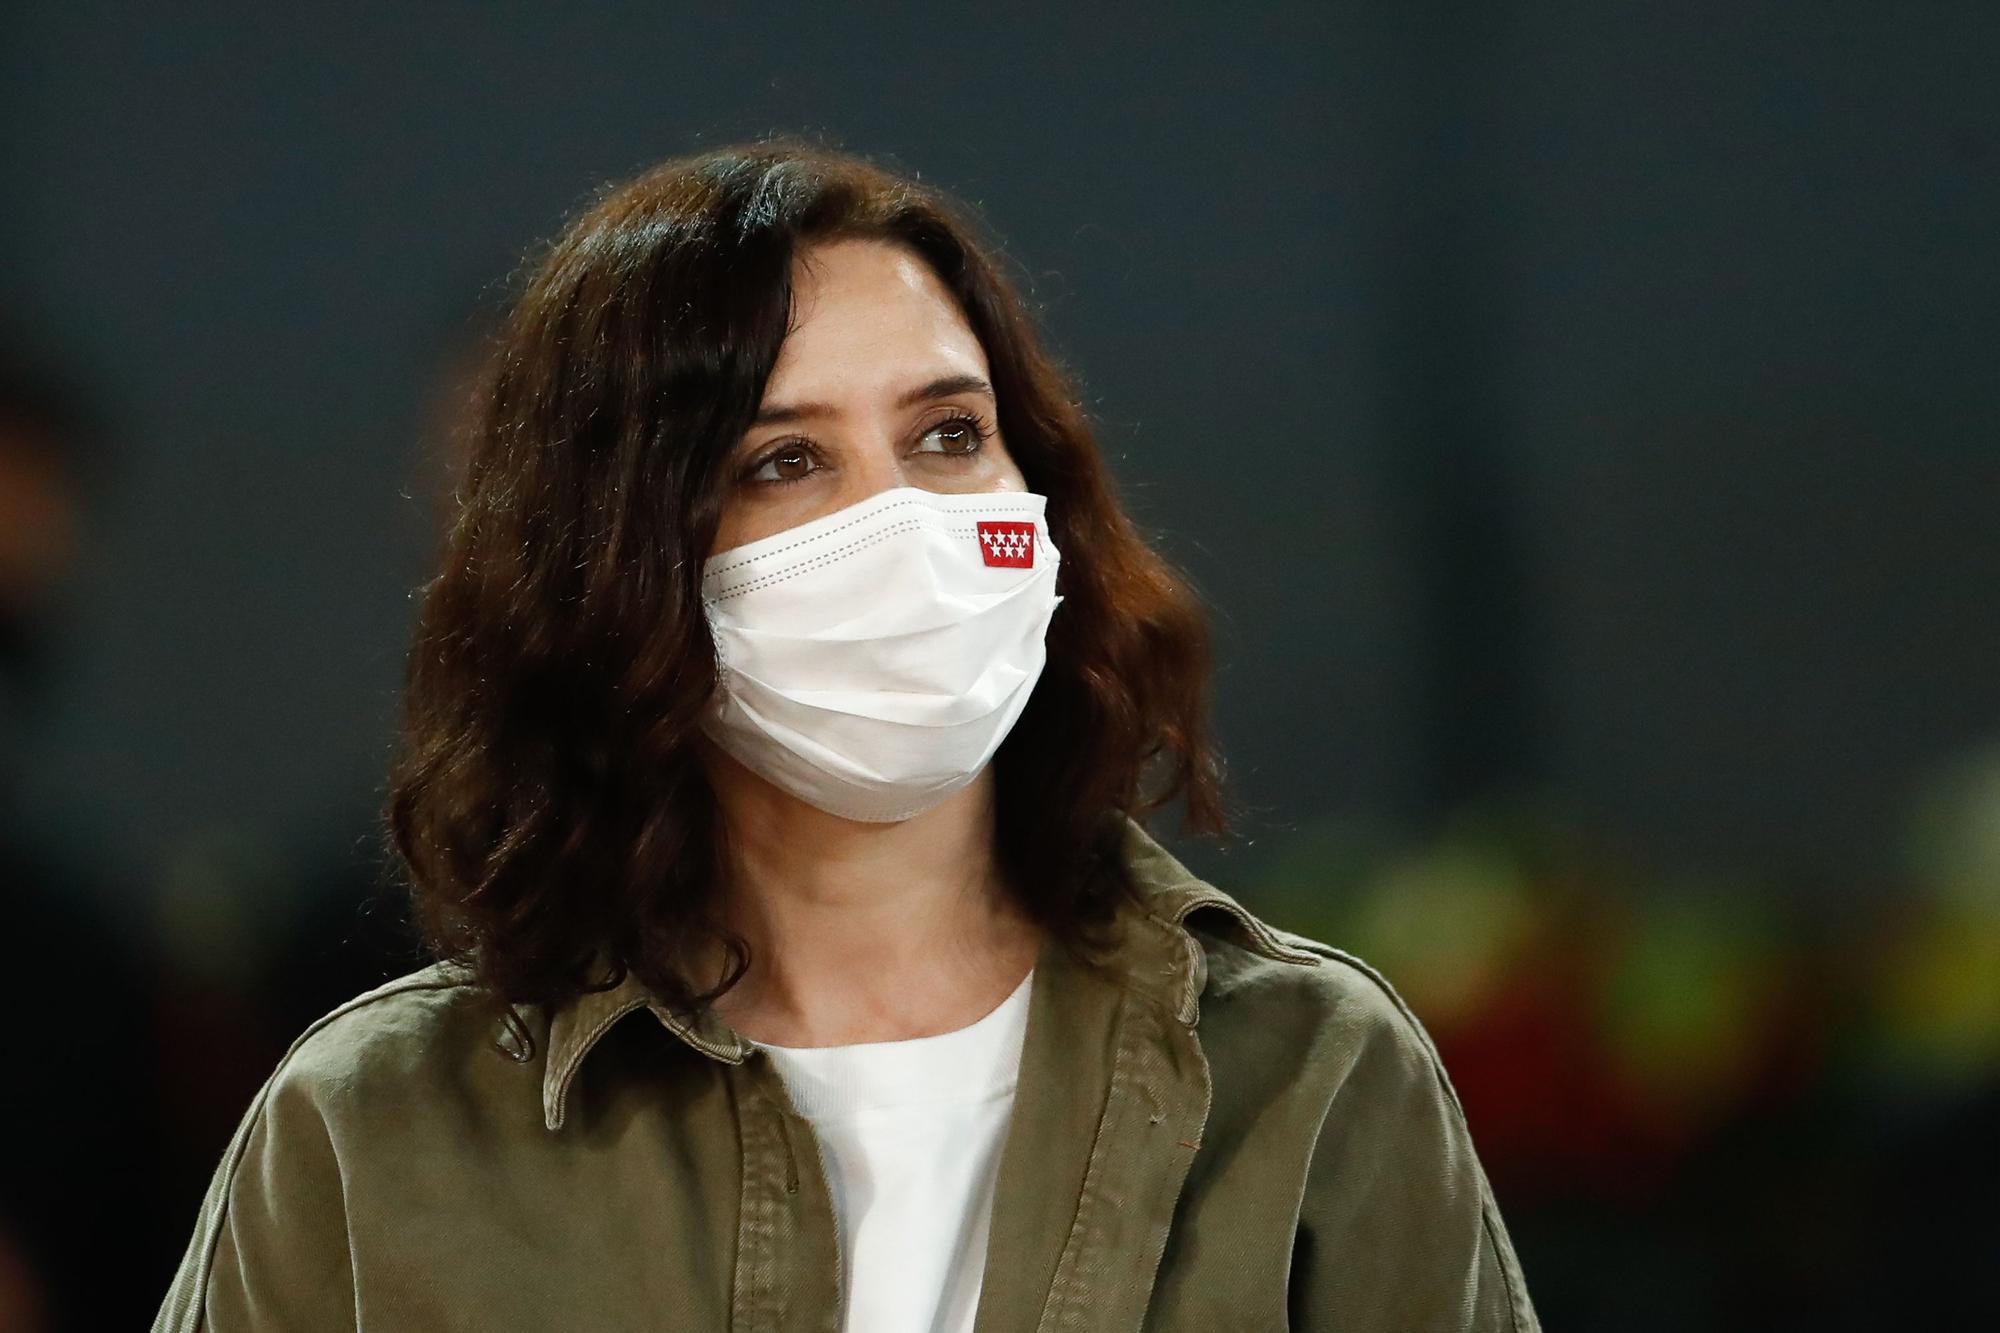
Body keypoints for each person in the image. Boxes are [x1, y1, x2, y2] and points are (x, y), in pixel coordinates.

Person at [153, 137, 1540, 1332]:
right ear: (620, 567)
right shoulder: (373, 1136)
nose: (905, 526)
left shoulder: (1307, 1073)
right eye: (784, 460)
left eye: (948, 436)